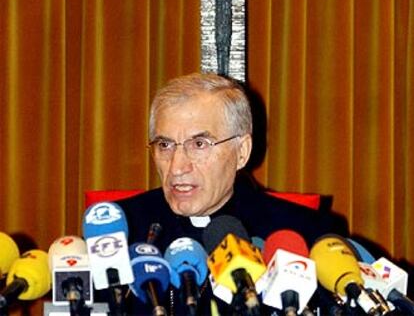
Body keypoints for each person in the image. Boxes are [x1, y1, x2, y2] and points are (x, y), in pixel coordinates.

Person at [118, 72, 346, 315]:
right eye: (164, 145)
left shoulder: (305, 234)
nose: (177, 167)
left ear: (242, 151)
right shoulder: (122, 229)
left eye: (199, 144)